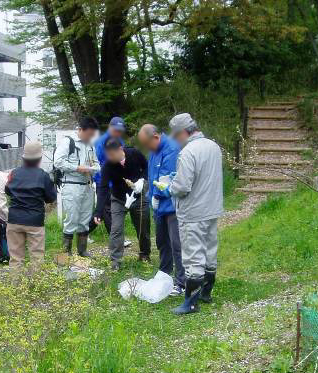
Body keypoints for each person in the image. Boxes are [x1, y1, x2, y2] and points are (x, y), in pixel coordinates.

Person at [159, 113, 223, 314]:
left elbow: (183, 186)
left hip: (193, 211)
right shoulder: (214, 146)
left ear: (183, 132)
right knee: (209, 251)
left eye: (176, 136)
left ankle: (191, 302)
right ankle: (206, 292)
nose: (176, 140)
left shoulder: (188, 152)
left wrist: (169, 187)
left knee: (193, 255)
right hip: (212, 208)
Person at [139, 124, 185, 295]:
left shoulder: (172, 148)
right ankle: (165, 275)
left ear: (156, 137)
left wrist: (157, 194)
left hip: (171, 205)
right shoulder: (154, 150)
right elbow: (152, 176)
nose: (147, 148)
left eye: (147, 144)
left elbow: (168, 179)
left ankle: (182, 282)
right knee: (162, 241)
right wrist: (148, 191)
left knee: (176, 243)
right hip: (158, 206)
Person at [94, 139, 150, 270]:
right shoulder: (108, 165)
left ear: (120, 149)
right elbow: (103, 187)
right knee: (116, 229)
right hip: (118, 198)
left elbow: (146, 166)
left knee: (143, 226)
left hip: (138, 196)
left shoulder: (134, 153)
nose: (110, 158)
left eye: (112, 154)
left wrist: (143, 180)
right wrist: (98, 211)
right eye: (108, 155)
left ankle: (144, 254)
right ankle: (115, 261)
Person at [5, 141, 57, 269]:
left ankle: (15, 287)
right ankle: (35, 287)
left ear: (23, 157)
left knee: (16, 258)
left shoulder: (14, 173)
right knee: (37, 258)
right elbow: (51, 198)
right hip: (35, 221)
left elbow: (7, 190)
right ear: (39, 158)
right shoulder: (43, 175)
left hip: (14, 220)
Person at [53, 116, 100, 257]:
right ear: (80, 129)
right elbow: (58, 162)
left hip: (87, 185)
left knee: (85, 219)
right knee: (72, 219)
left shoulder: (90, 145)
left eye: (92, 135)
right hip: (72, 185)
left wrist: (94, 168)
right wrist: (77, 168)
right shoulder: (68, 142)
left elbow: (97, 163)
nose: (90, 137)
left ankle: (82, 250)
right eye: (88, 134)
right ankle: (66, 253)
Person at [90, 116, 126, 234]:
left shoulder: (120, 141)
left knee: (108, 210)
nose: (118, 132)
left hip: (117, 180)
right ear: (110, 127)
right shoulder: (100, 142)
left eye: (120, 130)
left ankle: (84, 231)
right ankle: (115, 235)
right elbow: (97, 163)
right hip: (104, 181)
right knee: (108, 209)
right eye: (116, 129)